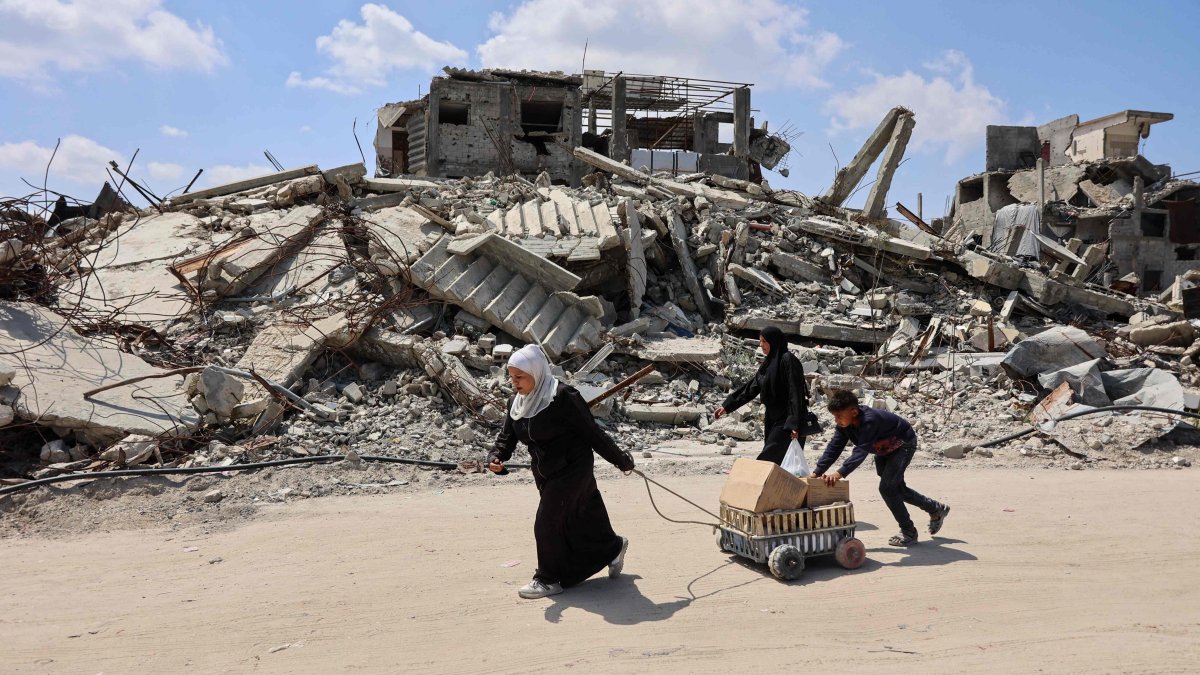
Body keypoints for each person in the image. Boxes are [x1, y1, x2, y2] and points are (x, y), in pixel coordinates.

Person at [488, 344, 636, 599]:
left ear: (536, 372)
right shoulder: (517, 402)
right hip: (545, 471)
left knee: (547, 521)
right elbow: (507, 437)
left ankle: (548, 578)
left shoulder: (563, 397)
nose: (514, 383)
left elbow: (593, 433)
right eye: (511, 377)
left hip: (573, 467)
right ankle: (613, 546)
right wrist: (496, 457)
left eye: (520, 377)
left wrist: (621, 460)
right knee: (584, 515)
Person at [813, 389, 950, 546]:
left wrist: (839, 474)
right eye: (834, 417)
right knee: (895, 487)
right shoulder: (845, 425)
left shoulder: (869, 421)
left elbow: (861, 451)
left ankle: (909, 531)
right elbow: (834, 447)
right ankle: (935, 509)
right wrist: (818, 471)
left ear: (854, 412)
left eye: (839, 416)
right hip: (883, 449)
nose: (836, 420)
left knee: (887, 488)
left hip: (902, 445)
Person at [713, 326, 810, 465]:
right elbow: (751, 388)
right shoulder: (768, 363)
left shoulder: (788, 360)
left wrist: (794, 424)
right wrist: (727, 406)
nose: (761, 345)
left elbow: (795, 393)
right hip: (772, 418)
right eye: (760, 341)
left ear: (773, 341)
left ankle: (753, 483)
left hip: (787, 420)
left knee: (768, 459)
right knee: (777, 462)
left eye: (764, 341)